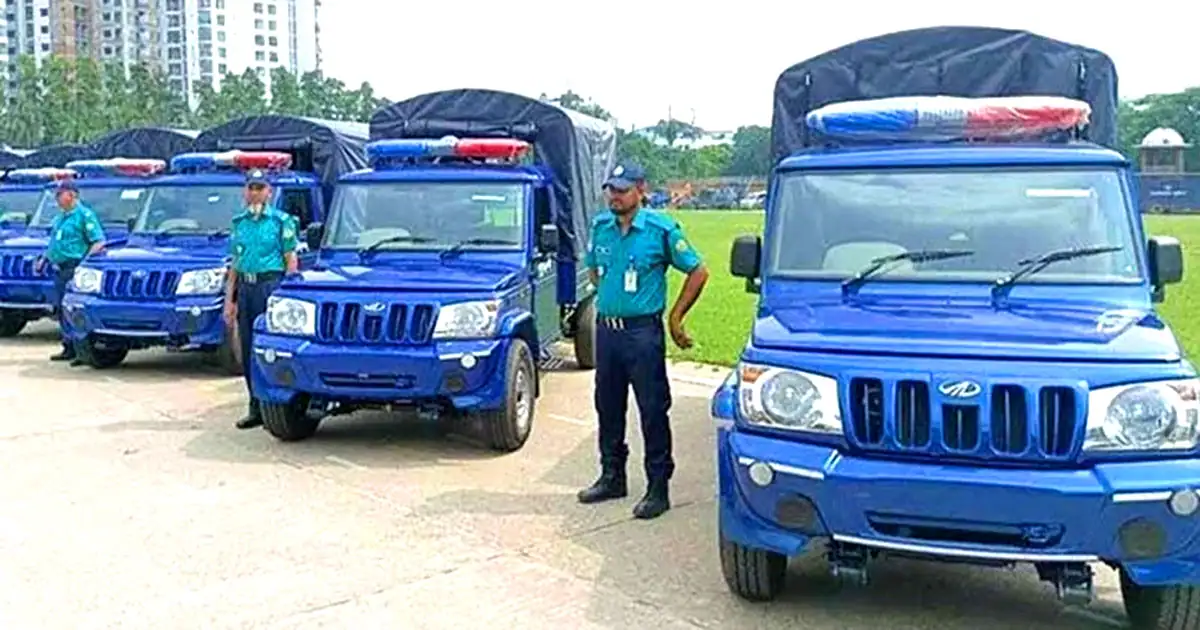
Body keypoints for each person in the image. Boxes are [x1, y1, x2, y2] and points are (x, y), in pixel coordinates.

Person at [577, 163, 710, 520]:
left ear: (640, 190)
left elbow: (698, 270)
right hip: (608, 331)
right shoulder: (601, 227)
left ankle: (657, 486)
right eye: (611, 189)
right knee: (607, 405)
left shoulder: (660, 229)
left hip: (641, 334)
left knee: (652, 409)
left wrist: (676, 316)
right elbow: (594, 270)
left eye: (622, 190)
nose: (615, 196)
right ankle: (612, 476)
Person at [224, 169, 299, 430]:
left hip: (271, 286)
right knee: (248, 349)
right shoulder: (239, 223)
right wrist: (229, 300)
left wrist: (288, 294)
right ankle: (254, 406)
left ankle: (276, 407)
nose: (255, 193)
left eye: (260, 188)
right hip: (247, 287)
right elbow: (235, 263)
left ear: (270, 192)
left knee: (270, 349)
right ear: (245, 192)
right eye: (251, 188)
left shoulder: (281, 222)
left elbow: (290, 260)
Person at [35, 178, 105, 365]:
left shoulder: (84, 215)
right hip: (58, 269)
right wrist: (44, 259)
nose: (57, 199)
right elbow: (54, 243)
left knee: (74, 310)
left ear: (72, 195)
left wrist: (84, 265)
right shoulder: (60, 218)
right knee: (61, 309)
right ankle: (68, 346)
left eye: (60, 195)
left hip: (73, 267)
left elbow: (98, 242)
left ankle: (81, 350)